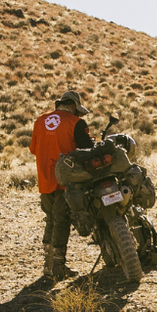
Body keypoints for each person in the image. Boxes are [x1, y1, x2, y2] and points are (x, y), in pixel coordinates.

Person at [29, 90, 93, 280]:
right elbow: (87, 151)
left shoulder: (40, 120)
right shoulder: (76, 123)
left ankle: (48, 266)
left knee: (50, 219)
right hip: (66, 181)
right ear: (73, 106)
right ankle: (58, 267)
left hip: (44, 178)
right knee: (62, 221)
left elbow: (33, 149)